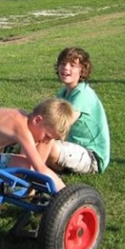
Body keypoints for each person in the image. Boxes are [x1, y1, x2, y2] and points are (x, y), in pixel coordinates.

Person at [0, 98, 75, 192]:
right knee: (27, 168)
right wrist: (65, 193)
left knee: (46, 144)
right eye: (47, 135)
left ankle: (34, 186)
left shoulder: (21, 117)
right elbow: (40, 169)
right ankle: (30, 189)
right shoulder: (20, 129)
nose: (46, 140)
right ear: (37, 120)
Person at [47, 47, 110, 175]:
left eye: (73, 65)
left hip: (92, 157)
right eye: (63, 64)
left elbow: (60, 126)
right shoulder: (63, 93)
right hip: (72, 148)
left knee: (48, 145)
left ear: (82, 70)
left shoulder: (83, 95)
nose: (66, 68)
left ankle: (50, 173)